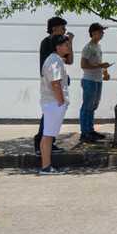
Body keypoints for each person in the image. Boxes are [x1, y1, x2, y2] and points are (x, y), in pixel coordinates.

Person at [38, 33, 73, 175]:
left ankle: (46, 166)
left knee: (47, 135)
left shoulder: (56, 59)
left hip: (52, 103)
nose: (68, 47)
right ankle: (46, 167)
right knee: (48, 136)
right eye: (66, 44)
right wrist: (61, 101)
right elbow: (55, 83)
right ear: (58, 47)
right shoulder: (54, 61)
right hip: (54, 103)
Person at [34, 16, 68, 153]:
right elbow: (50, 67)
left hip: (57, 81)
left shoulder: (60, 42)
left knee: (51, 120)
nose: (65, 30)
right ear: (54, 28)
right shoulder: (47, 42)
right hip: (51, 84)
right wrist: (60, 99)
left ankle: (49, 144)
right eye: (62, 27)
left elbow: (68, 59)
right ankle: (40, 145)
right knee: (48, 118)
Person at [78, 22, 110, 142]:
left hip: (97, 79)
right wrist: (101, 65)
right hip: (89, 80)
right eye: (100, 32)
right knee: (87, 106)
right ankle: (84, 132)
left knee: (93, 106)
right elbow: (83, 64)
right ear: (93, 33)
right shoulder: (88, 47)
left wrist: (104, 71)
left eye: (102, 32)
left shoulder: (98, 46)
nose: (102, 34)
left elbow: (97, 63)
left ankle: (90, 130)